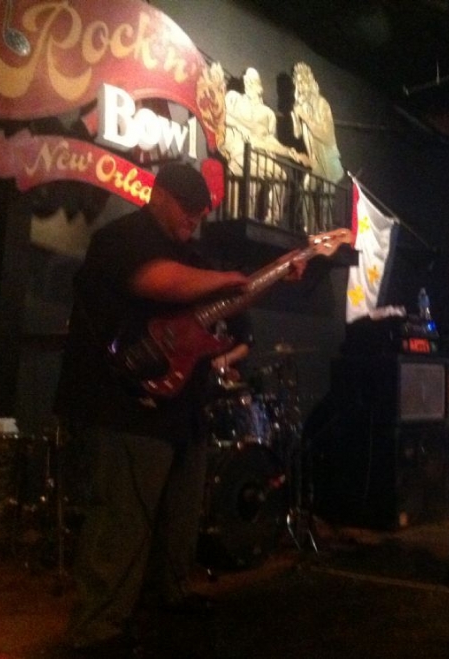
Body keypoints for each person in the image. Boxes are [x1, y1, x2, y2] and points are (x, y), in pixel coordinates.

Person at [54, 162, 302, 656]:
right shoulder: (122, 238)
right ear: (158, 194)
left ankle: (166, 596)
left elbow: (227, 305)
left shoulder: (193, 254)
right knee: (123, 517)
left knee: (179, 516)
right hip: (122, 401)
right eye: (187, 208)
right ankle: (98, 628)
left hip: (180, 405)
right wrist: (231, 277)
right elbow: (158, 283)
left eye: (200, 212)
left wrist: (274, 276)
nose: (194, 218)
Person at [222, 68, 298, 222]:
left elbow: (269, 140)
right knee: (246, 169)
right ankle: (242, 216)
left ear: (259, 86)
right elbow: (225, 117)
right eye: (247, 80)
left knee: (280, 175)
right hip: (240, 149)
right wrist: (244, 128)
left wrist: (289, 151)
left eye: (253, 81)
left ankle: (272, 218)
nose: (249, 83)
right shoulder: (234, 98)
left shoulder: (267, 113)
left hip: (259, 152)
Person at [290, 62, 345, 232]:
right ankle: (308, 228)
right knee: (306, 189)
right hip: (316, 162)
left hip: (328, 161)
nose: (300, 86)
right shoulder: (302, 106)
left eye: (303, 82)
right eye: (297, 83)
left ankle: (325, 230)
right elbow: (298, 134)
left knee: (325, 198)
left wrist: (305, 116)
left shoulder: (322, 104)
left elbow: (327, 136)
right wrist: (295, 116)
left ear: (310, 82)